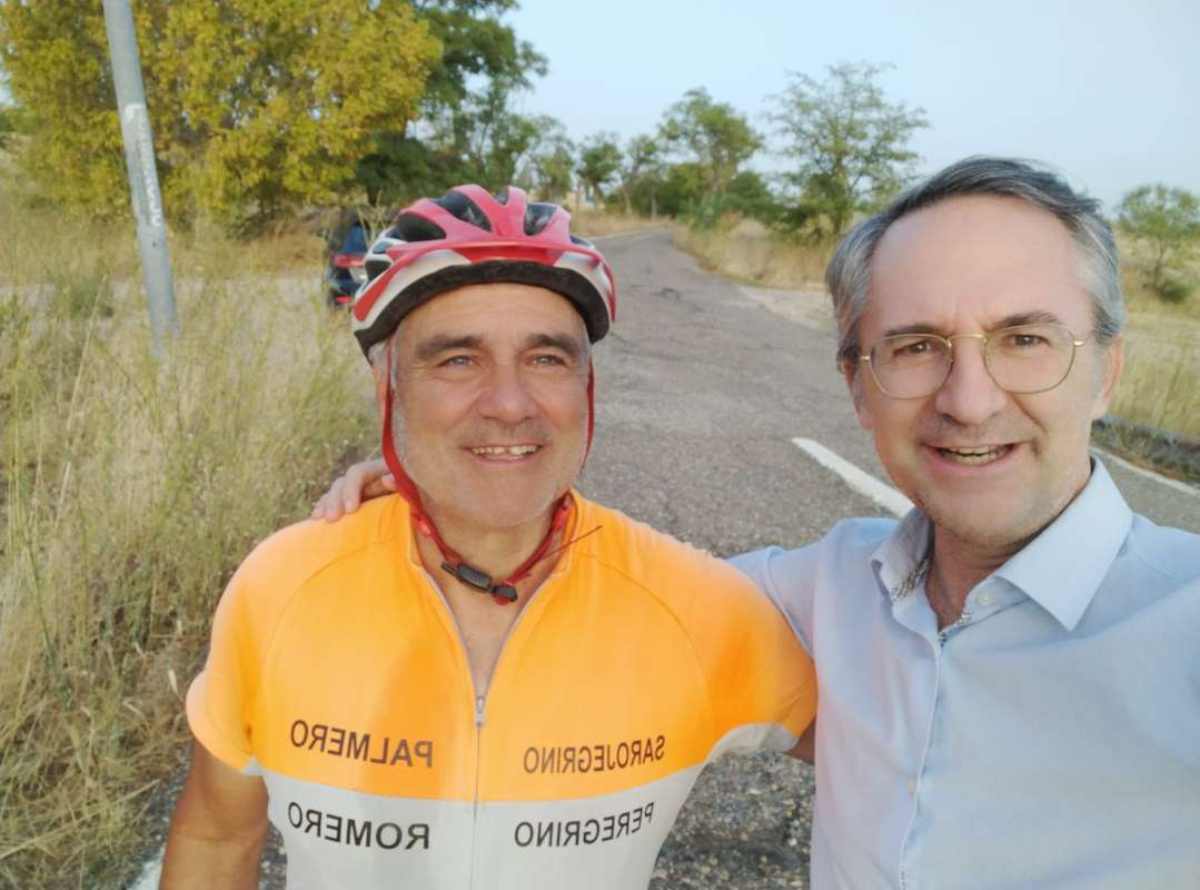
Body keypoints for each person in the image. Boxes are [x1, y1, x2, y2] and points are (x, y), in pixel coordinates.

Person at [322, 158, 1200, 889]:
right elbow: (602, 587)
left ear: (1108, 371)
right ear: (858, 384)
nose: (969, 402)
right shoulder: (832, 588)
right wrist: (439, 483)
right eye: (916, 347)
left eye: (1026, 341)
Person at [160, 185, 817, 890]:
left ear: (586, 390)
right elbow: (216, 837)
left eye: (545, 359)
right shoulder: (282, 585)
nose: (509, 404)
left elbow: (902, 757)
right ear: (390, 394)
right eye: (457, 361)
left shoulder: (699, 608)